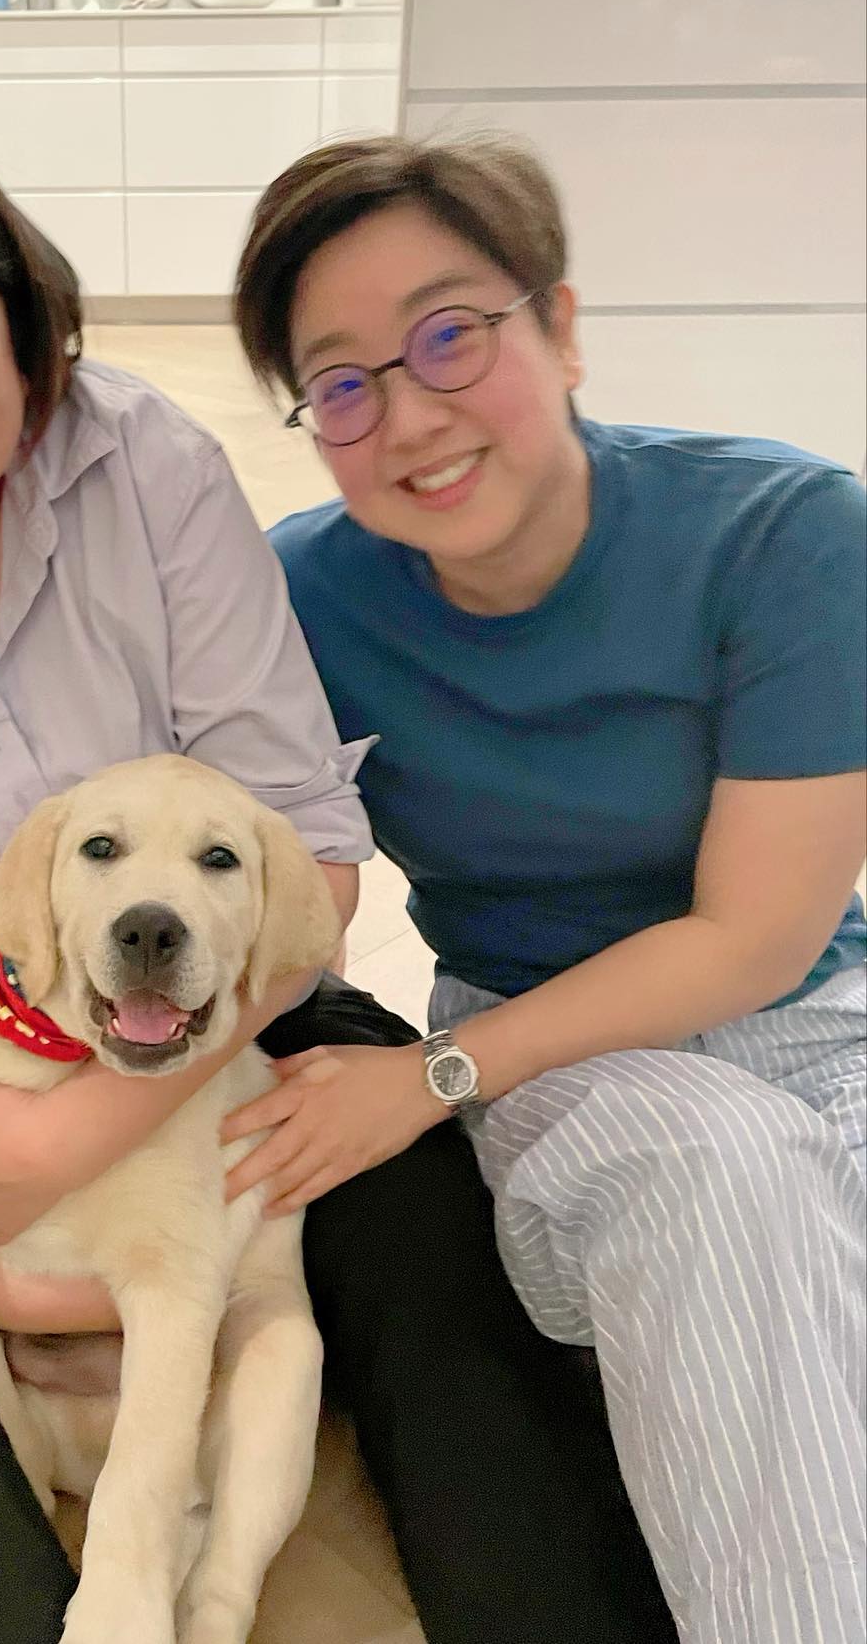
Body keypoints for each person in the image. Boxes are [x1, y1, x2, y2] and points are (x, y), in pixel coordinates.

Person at [0, 74, 673, 1644]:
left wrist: (74, 1153)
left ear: (23, 323)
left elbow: (305, 855)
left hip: (224, 1010)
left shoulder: (145, 466)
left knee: (429, 1221)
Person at [226, 130, 867, 1644]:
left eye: (450, 335)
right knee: (713, 1176)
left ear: (562, 328)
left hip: (816, 1018)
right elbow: (261, 876)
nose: (408, 416)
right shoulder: (298, 595)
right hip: (550, 1056)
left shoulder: (784, 535)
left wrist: (423, 1080)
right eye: (341, 384)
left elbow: (756, 937)